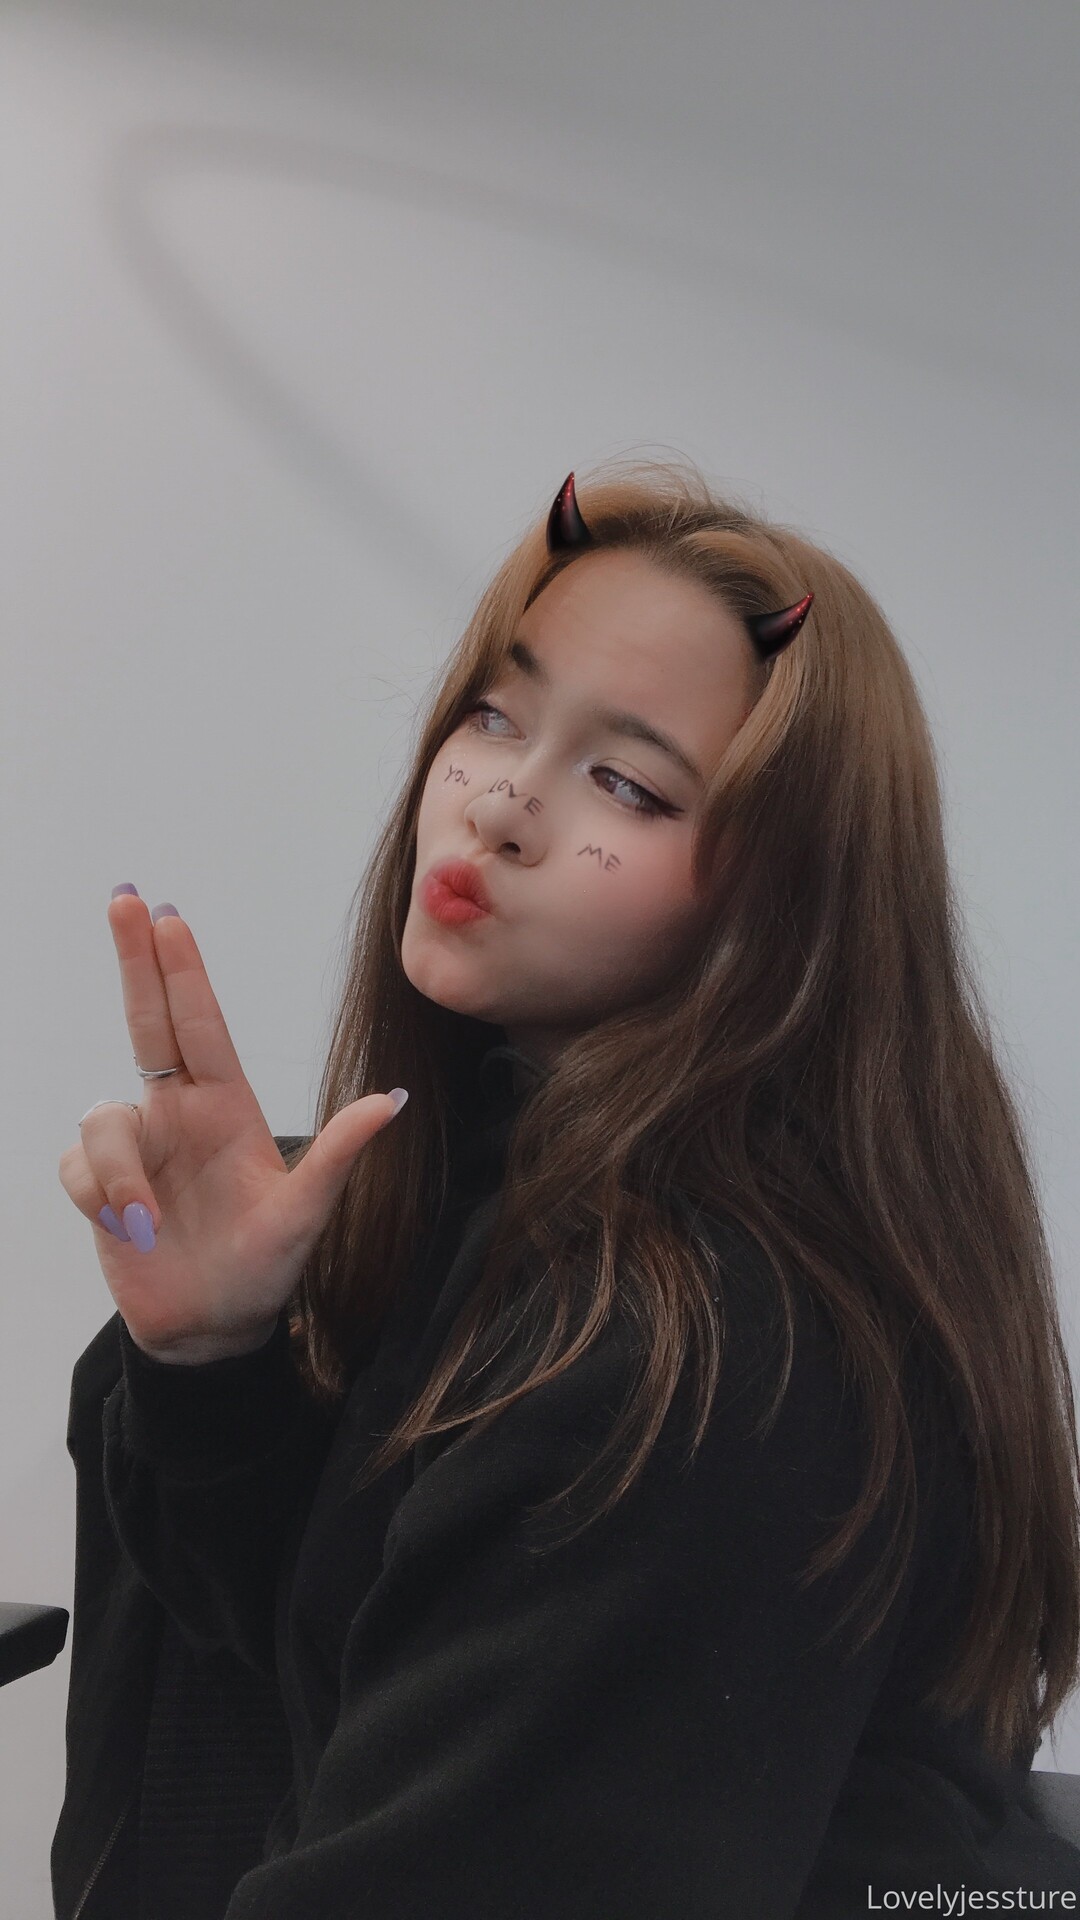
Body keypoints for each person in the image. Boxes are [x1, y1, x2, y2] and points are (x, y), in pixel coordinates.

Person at [51, 460, 1080, 1917]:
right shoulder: (478, 1187)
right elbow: (354, 1666)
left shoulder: (696, 1352)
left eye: (628, 784)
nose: (504, 806)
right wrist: (214, 1363)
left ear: (777, 903)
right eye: (495, 715)